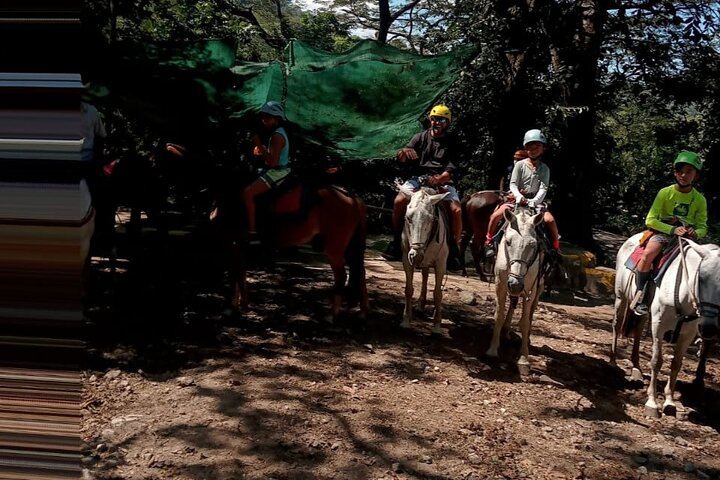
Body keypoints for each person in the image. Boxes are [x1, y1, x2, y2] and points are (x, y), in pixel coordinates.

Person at [381, 104, 463, 269]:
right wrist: (403, 152)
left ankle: (453, 248)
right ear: (430, 120)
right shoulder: (419, 137)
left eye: (441, 120)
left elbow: (451, 169)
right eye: (433, 119)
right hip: (418, 179)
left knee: (456, 210)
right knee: (398, 201)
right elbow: (403, 157)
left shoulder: (453, 142)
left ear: (447, 123)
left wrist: (440, 179)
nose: (436, 122)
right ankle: (396, 241)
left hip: (442, 181)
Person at [632, 150, 707, 315]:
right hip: (663, 233)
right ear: (675, 173)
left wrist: (696, 232)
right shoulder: (665, 193)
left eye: (689, 172)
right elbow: (650, 220)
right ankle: (640, 296)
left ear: (696, 175)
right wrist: (672, 229)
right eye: (680, 171)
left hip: (687, 239)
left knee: (706, 266)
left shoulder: (700, 199)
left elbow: (703, 226)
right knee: (647, 255)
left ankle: (703, 307)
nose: (684, 175)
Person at [484, 129, 560, 257]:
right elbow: (513, 184)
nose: (534, 149)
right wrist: (519, 197)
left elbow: (543, 187)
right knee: (495, 216)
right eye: (530, 146)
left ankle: (555, 248)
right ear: (526, 148)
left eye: (537, 146)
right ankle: (489, 241)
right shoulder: (519, 165)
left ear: (543, 148)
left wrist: (534, 201)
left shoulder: (544, 169)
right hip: (516, 200)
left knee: (550, 220)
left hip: (536, 202)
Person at [242, 101, 291, 245]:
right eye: (263, 117)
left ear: (276, 118)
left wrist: (257, 143)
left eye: (268, 117)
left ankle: (252, 232)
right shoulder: (278, 133)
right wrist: (263, 150)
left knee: (247, 193)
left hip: (278, 172)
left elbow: (273, 162)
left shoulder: (277, 136)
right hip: (277, 169)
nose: (264, 120)